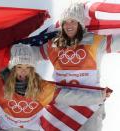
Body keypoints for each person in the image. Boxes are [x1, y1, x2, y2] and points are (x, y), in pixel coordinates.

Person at [0, 44, 109, 131]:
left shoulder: (42, 88)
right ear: (12, 68)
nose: (23, 72)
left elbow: (71, 96)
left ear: (32, 69)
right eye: (19, 67)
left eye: (27, 68)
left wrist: (99, 96)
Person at [39, 2, 111, 131]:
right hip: (64, 104)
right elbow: (32, 55)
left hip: (91, 104)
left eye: (73, 21)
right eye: (65, 22)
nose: (69, 25)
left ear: (80, 24)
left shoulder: (96, 41)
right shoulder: (53, 45)